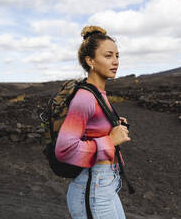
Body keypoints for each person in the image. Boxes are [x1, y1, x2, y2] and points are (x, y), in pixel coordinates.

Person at [55, 25, 131, 218]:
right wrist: (110, 140)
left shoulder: (98, 93)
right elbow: (64, 149)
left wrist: (112, 124)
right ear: (90, 61)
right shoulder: (85, 97)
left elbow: (91, 129)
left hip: (105, 183)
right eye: (108, 56)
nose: (115, 61)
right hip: (93, 188)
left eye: (117, 55)